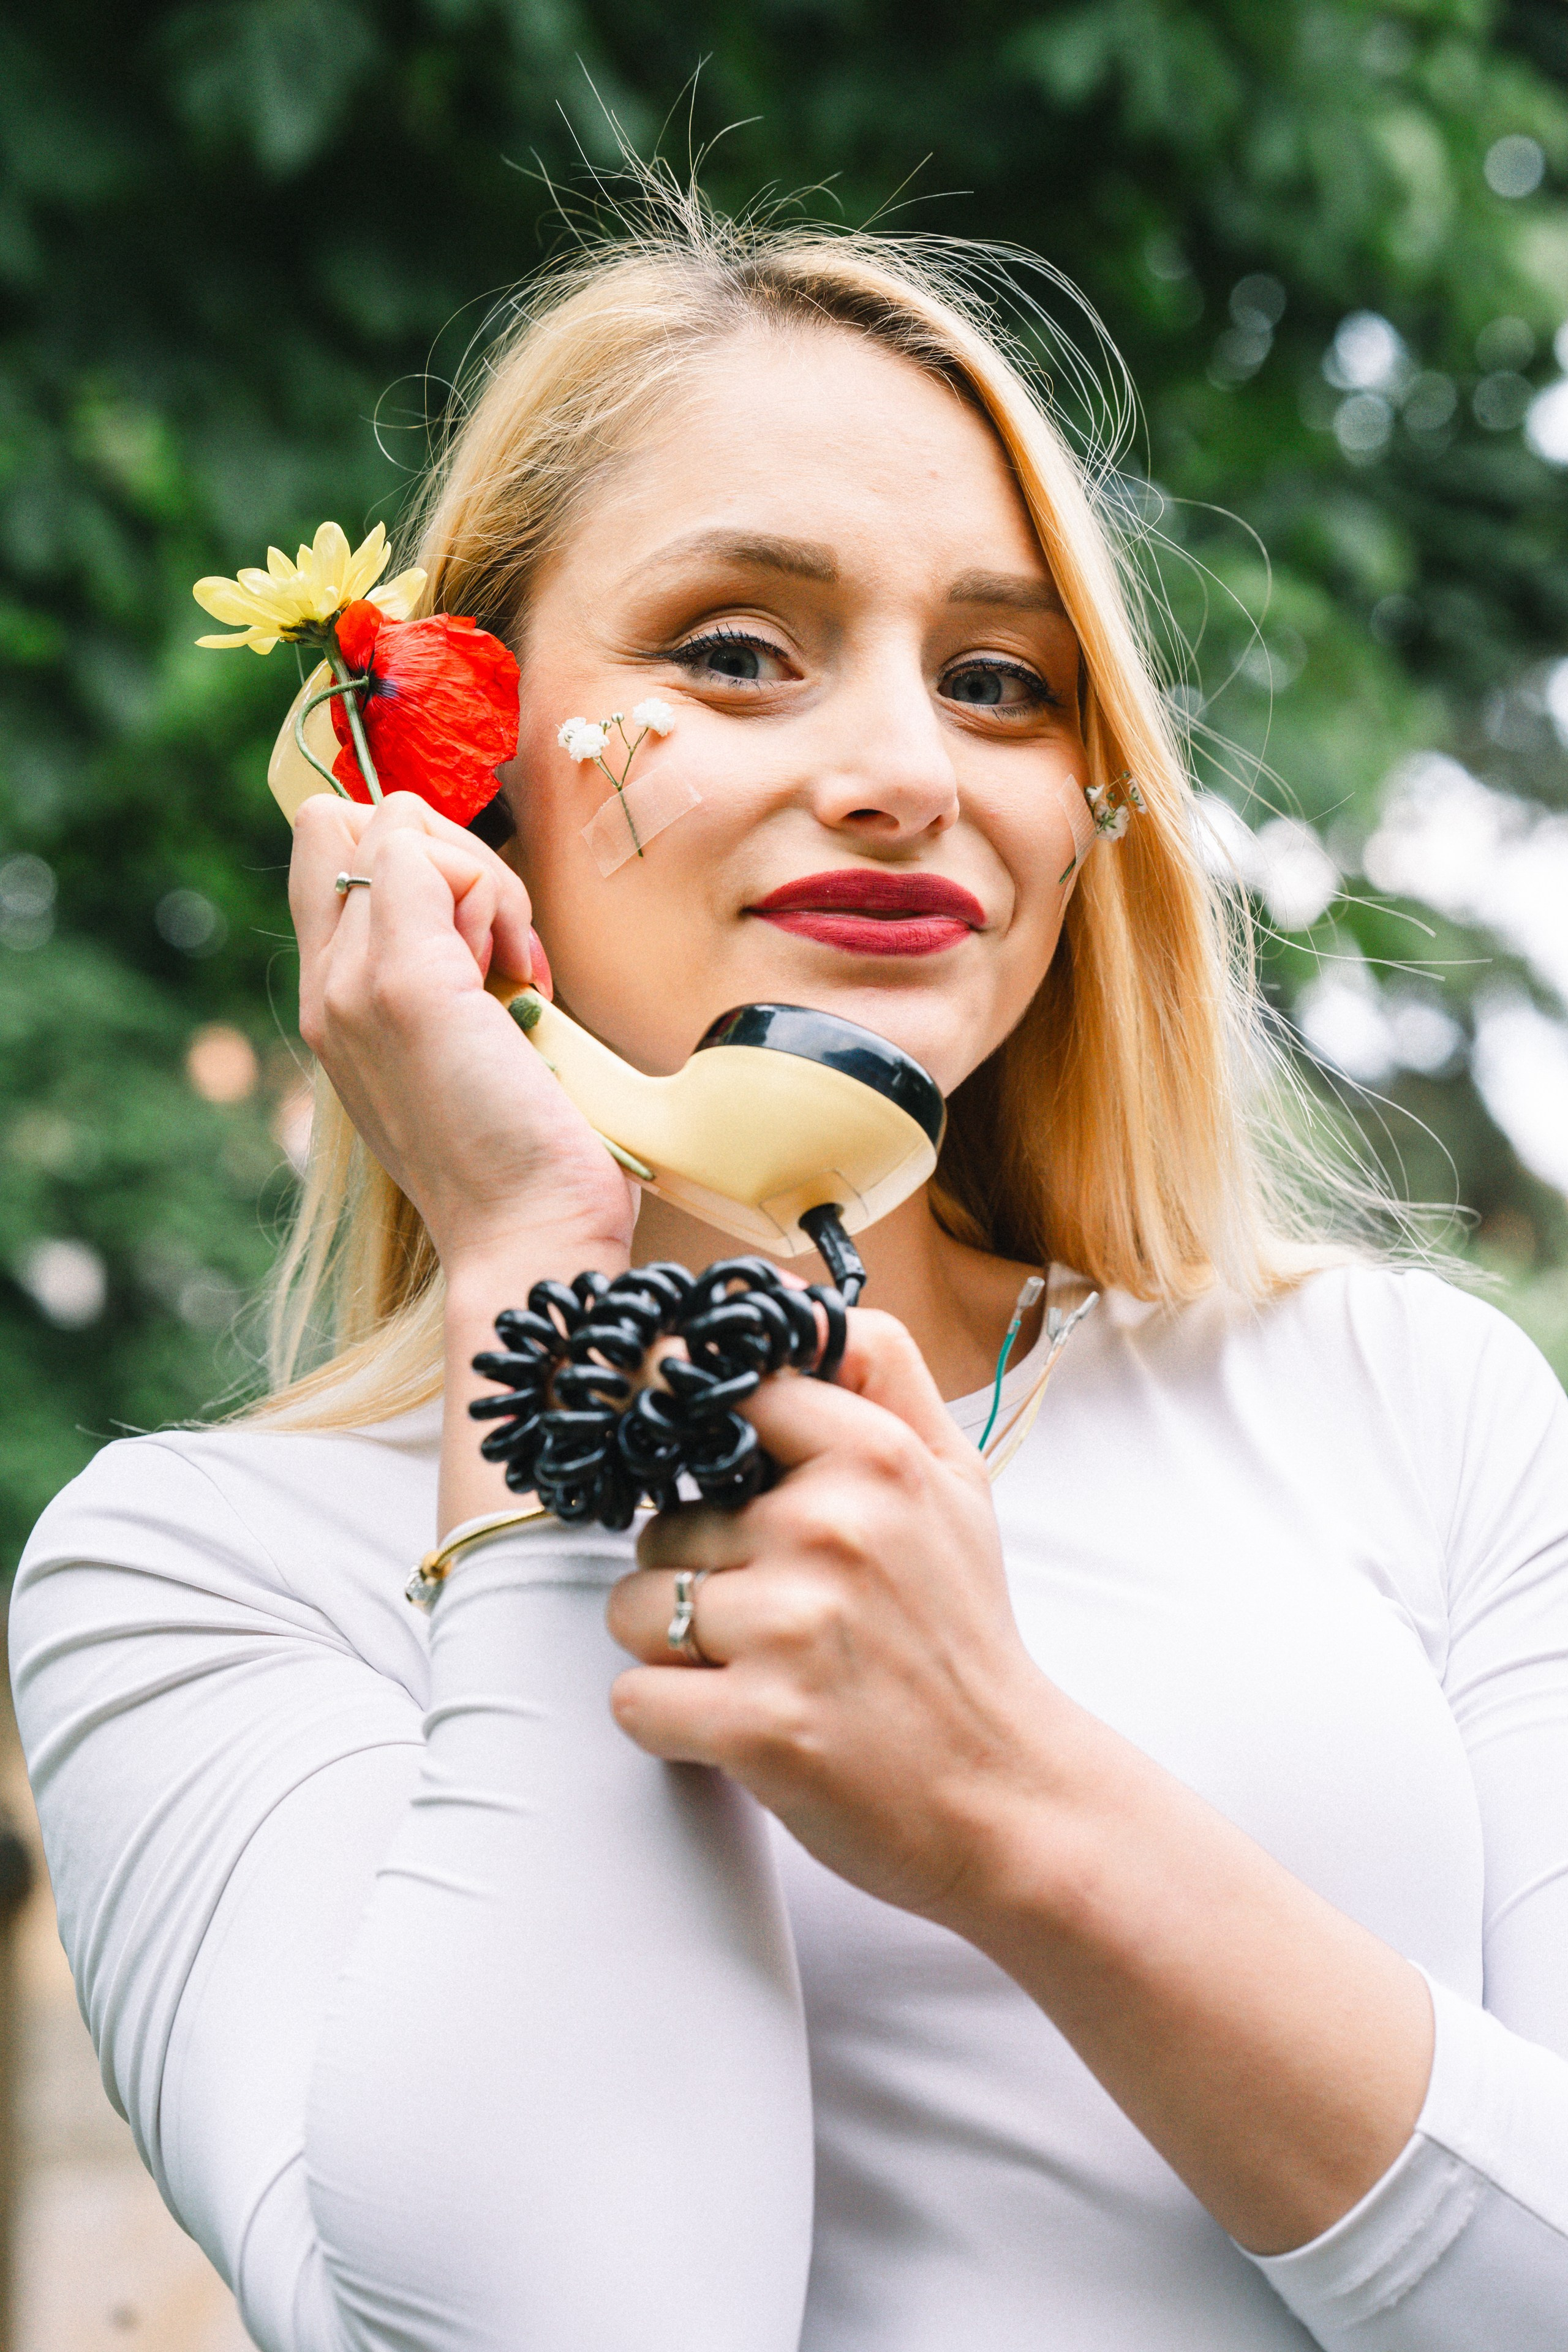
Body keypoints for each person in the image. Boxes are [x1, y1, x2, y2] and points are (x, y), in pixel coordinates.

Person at [9, 202, 1568, 2352]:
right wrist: (539, 1287)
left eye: (1002, 684)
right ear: (445, 765)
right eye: (736, 650)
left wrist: (1007, 1797)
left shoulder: (1407, 1398)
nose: (910, 777)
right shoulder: (203, 1568)